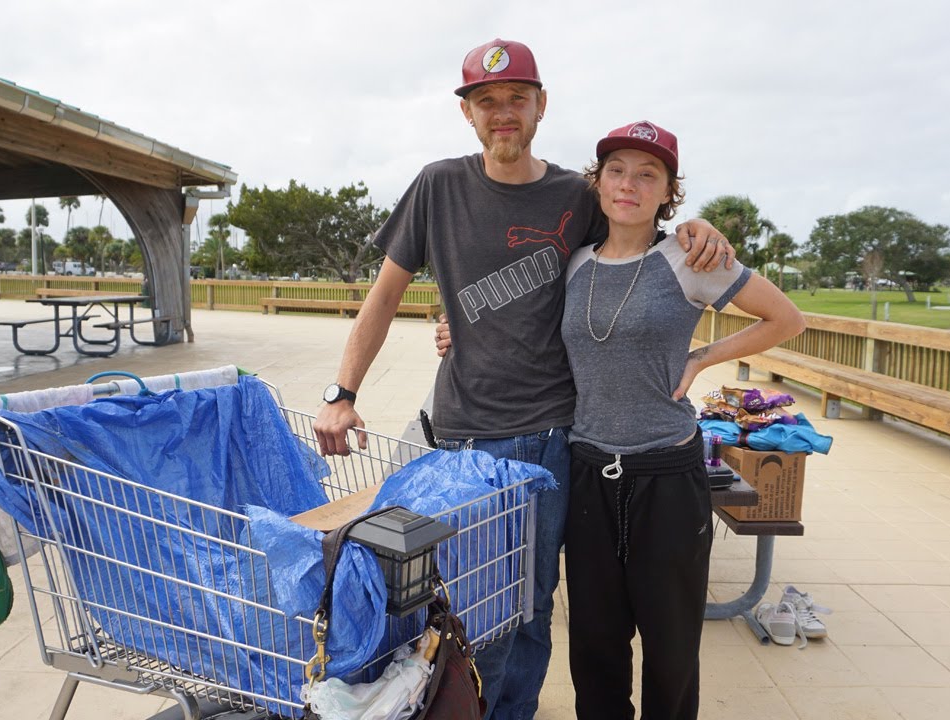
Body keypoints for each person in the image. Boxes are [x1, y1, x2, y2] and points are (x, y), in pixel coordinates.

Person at [312, 39, 733, 719]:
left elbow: (641, 236)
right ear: (469, 115)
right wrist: (344, 393)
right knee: (449, 608)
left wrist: (697, 226)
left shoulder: (578, 193)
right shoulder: (438, 186)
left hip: (549, 441)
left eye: (516, 100)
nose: (502, 113)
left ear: (541, 106)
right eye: (487, 102)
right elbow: (384, 295)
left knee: (528, 610)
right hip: (457, 443)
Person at [560, 121, 804, 718]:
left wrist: (701, 357)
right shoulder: (575, 265)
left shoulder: (689, 258)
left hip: (667, 477)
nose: (629, 184)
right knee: (594, 645)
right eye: (616, 169)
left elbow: (785, 317)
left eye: (648, 174)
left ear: (668, 191)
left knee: (670, 649)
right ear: (598, 182)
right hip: (589, 471)